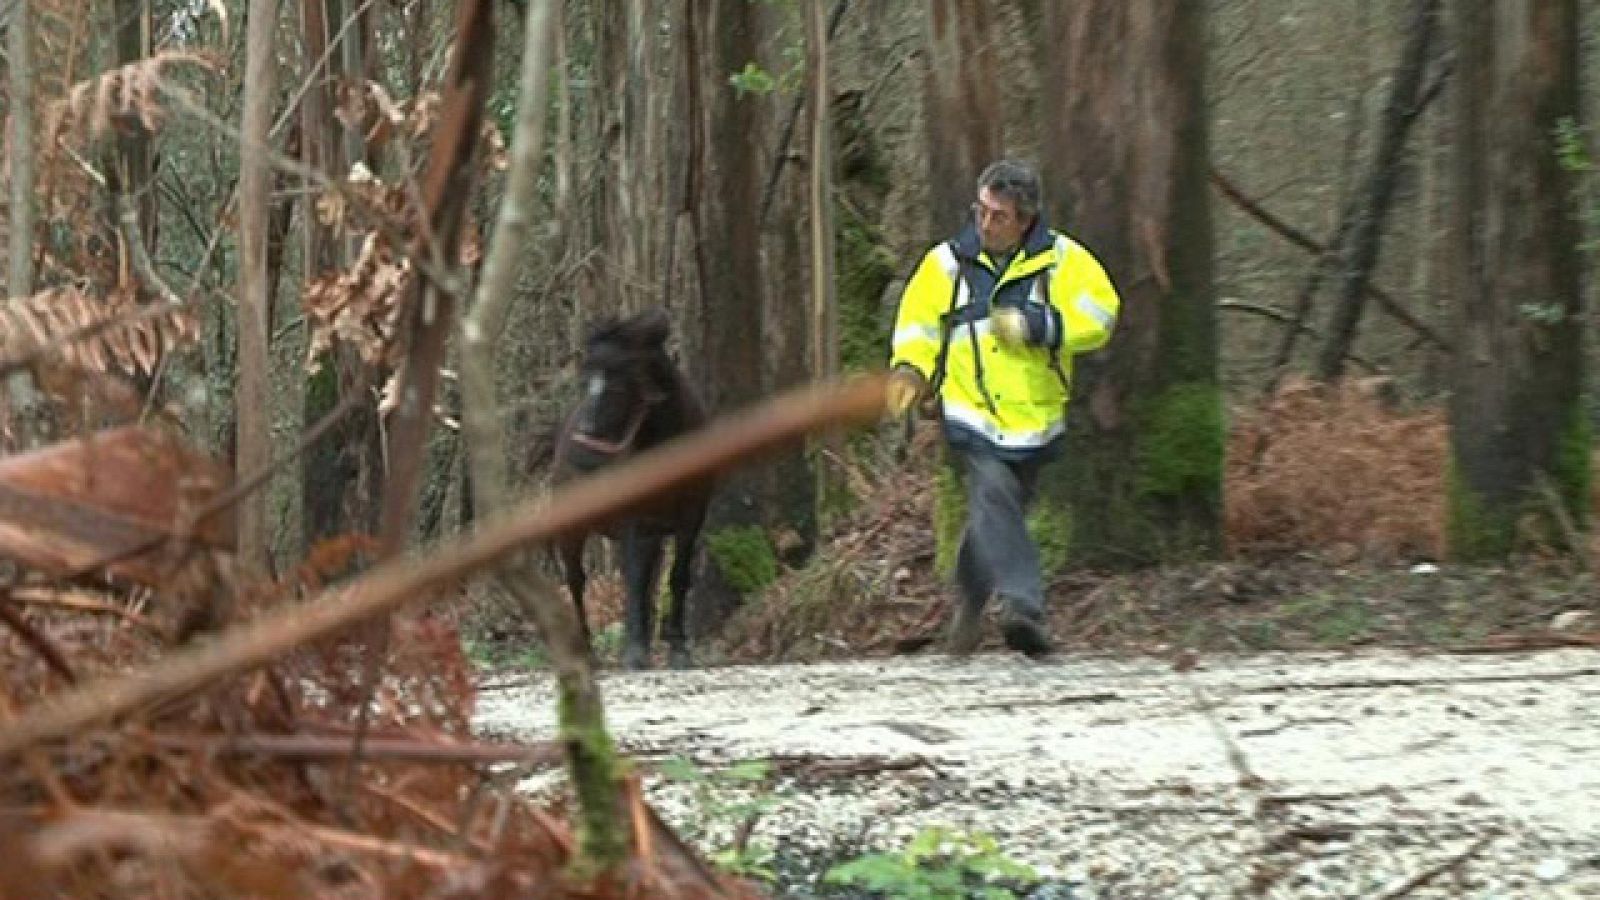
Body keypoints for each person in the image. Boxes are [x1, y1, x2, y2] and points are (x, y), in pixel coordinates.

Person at [886, 159, 1120, 658]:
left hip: (1036, 416)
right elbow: (917, 324)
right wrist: (910, 370)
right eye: (982, 211)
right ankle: (1023, 608)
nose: (986, 223)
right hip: (968, 408)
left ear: (1026, 220)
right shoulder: (946, 264)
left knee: (996, 513)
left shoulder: (1064, 261)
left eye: (999, 216)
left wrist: (1042, 326)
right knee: (994, 493)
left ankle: (968, 606)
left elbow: (1101, 313)